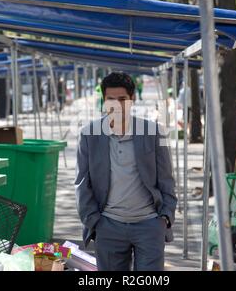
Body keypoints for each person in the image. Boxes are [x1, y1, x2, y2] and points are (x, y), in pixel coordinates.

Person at [74, 72, 177, 271]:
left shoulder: (153, 132)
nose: (116, 105)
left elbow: (166, 178)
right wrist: (93, 221)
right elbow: (82, 183)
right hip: (108, 225)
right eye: (110, 99)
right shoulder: (89, 134)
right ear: (104, 101)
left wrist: (165, 217)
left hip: (149, 224)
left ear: (132, 99)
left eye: (122, 99)